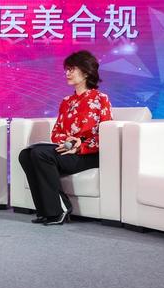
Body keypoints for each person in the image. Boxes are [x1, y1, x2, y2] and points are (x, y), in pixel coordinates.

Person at [18, 50, 113, 226]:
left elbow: (106, 134)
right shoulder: (66, 101)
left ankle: (60, 209)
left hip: (88, 154)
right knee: (25, 154)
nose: (67, 73)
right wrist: (69, 142)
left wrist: (79, 145)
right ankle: (45, 211)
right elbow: (56, 132)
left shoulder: (101, 99)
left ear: (86, 72)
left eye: (71, 69)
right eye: (66, 69)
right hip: (67, 150)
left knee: (40, 154)